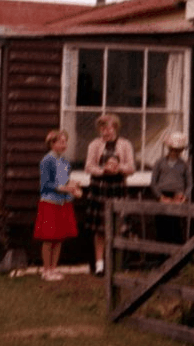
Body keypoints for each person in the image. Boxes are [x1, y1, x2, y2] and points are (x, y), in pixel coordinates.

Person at [84, 113, 135, 276]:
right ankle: (99, 265)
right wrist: (103, 170)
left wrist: (118, 168)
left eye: (109, 128)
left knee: (118, 227)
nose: (106, 131)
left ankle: (115, 264)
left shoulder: (125, 144)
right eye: (102, 128)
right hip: (99, 189)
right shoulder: (94, 144)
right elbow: (88, 167)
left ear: (115, 128)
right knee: (99, 229)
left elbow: (131, 168)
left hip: (118, 189)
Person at [34, 129, 82, 281]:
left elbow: (65, 181)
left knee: (59, 237)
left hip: (64, 203)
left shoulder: (65, 162)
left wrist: (74, 189)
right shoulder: (46, 161)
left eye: (65, 141)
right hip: (50, 202)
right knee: (49, 238)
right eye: (61, 141)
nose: (64, 144)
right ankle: (46, 270)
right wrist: (65, 188)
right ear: (52, 143)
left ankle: (54, 268)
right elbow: (46, 184)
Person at [150, 132, 191, 204]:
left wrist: (185, 197)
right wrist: (160, 197)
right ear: (169, 148)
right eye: (172, 149)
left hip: (178, 196)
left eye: (178, 150)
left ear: (181, 150)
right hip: (162, 195)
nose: (174, 152)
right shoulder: (159, 162)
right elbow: (153, 183)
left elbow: (189, 184)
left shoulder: (184, 165)